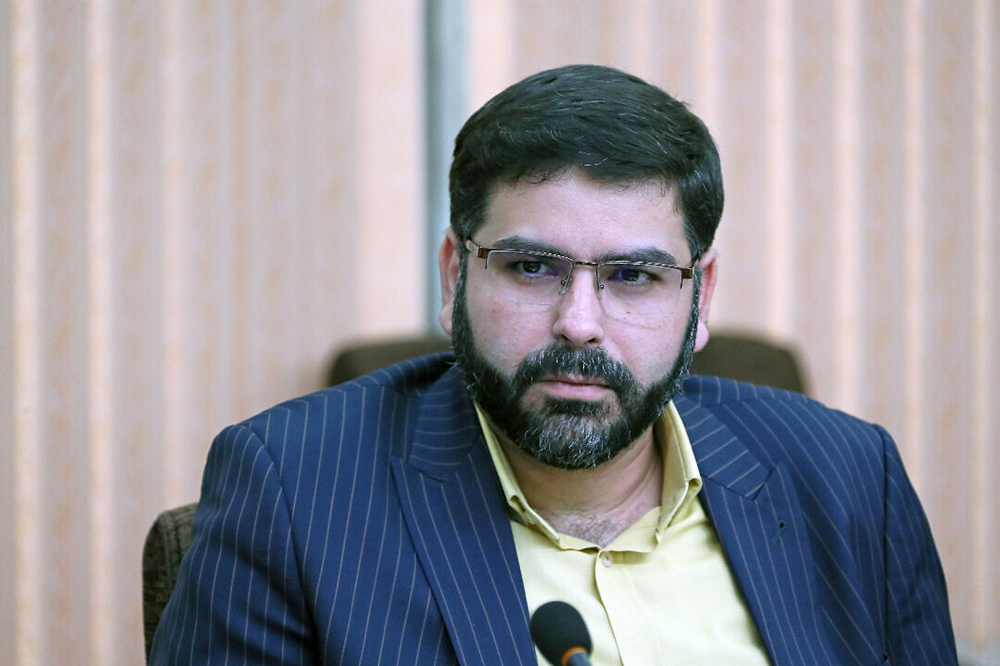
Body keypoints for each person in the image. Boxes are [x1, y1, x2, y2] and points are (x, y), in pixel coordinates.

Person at [149, 64, 957, 665]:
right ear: (454, 277)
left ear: (701, 296)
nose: (579, 324)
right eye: (532, 267)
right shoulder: (293, 492)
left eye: (632, 276)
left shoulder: (855, 481)